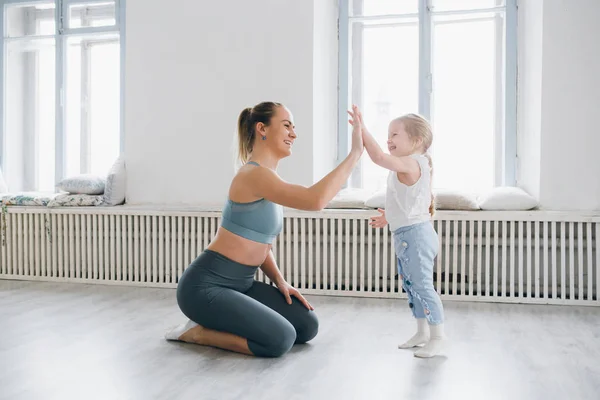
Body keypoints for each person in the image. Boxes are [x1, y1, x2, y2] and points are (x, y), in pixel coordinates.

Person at [165, 101, 364, 357]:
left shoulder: (268, 178)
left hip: (243, 284)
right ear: (262, 128)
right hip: (205, 287)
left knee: (306, 327)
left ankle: (224, 320)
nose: (294, 133)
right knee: (279, 339)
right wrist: (355, 154)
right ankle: (196, 332)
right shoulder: (253, 175)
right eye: (286, 125)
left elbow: (258, 241)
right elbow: (315, 200)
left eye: (294, 127)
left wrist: (280, 281)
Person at [350, 105, 446, 358]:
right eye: (388, 134)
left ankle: (438, 336)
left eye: (395, 134)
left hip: (416, 236)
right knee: (411, 286)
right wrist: (388, 217)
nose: (388, 139)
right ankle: (422, 332)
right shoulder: (409, 165)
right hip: (408, 234)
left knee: (423, 286)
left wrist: (362, 129)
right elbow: (407, 201)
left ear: (416, 140)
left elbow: (379, 157)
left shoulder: (413, 163)